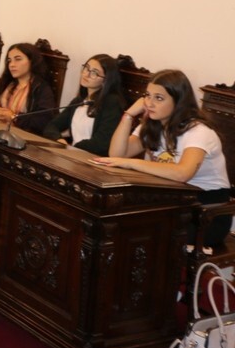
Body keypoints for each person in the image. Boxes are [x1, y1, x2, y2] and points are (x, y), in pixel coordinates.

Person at [94, 69, 232, 249]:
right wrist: (128, 115)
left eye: (159, 98)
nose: (149, 103)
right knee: (111, 224)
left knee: (135, 232)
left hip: (205, 213)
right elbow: (117, 154)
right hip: (169, 203)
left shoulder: (198, 131)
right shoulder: (154, 125)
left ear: (179, 101)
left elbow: (182, 174)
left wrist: (131, 163)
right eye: (147, 95)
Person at [43, 55, 125, 156]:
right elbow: (51, 126)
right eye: (86, 68)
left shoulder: (112, 103)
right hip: (72, 154)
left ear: (106, 80)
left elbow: (101, 143)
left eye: (94, 73)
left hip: (93, 159)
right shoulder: (79, 100)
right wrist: (60, 141)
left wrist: (73, 148)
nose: (86, 74)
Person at [0, 42, 56, 134]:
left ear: (32, 61)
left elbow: (43, 121)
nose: (12, 64)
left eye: (18, 59)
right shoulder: (7, 82)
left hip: (21, 136)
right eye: (9, 60)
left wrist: (14, 117)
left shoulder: (41, 88)